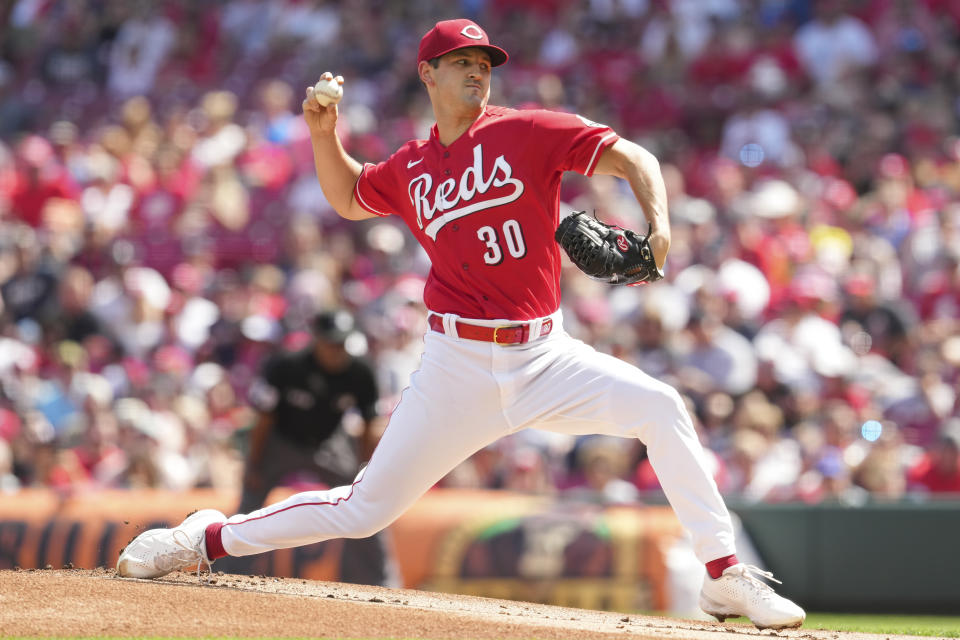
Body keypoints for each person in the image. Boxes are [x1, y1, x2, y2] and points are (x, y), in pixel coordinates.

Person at [117, 18, 805, 630]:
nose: (479, 70)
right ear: (428, 73)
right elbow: (351, 195)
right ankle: (202, 540)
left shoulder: (526, 131)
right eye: (464, 62)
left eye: (486, 63)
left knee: (661, 406)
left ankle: (723, 577)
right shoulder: (413, 168)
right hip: (456, 366)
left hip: (545, 356)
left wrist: (658, 225)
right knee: (366, 510)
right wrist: (324, 136)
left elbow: (634, 156)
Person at [216, 308, 397, 586]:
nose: (337, 350)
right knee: (249, 501)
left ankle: (379, 582)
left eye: (342, 343)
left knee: (365, 501)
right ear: (316, 340)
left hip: (329, 443)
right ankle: (224, 573)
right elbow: (263, 419)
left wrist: (366, 468)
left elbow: (370, 425)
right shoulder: (287, 365)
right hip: (281, 441)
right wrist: (253, 465)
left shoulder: (360, 371)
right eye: (331, 342)